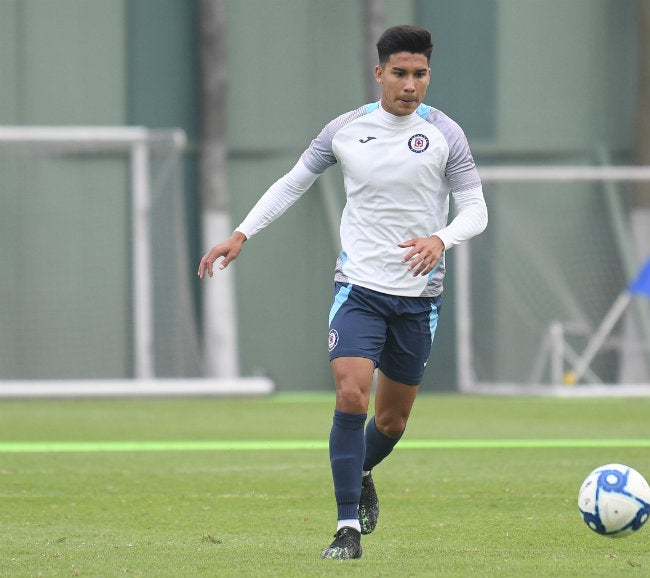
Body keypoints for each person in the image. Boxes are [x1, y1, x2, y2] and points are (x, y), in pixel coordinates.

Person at [197, 24, 488, 559]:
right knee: (351, 393)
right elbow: (292, 182)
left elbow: (476, 209)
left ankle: (361, 470)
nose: (409, 84)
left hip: (418, 298)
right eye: (399, 73)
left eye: (419, 74)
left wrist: (440, 238)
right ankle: (347, 528)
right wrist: (241, 233)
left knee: (392, 421)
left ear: (429, 76)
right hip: (358, 288)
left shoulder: (446, 133)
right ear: (379, 74)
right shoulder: (345, 130)